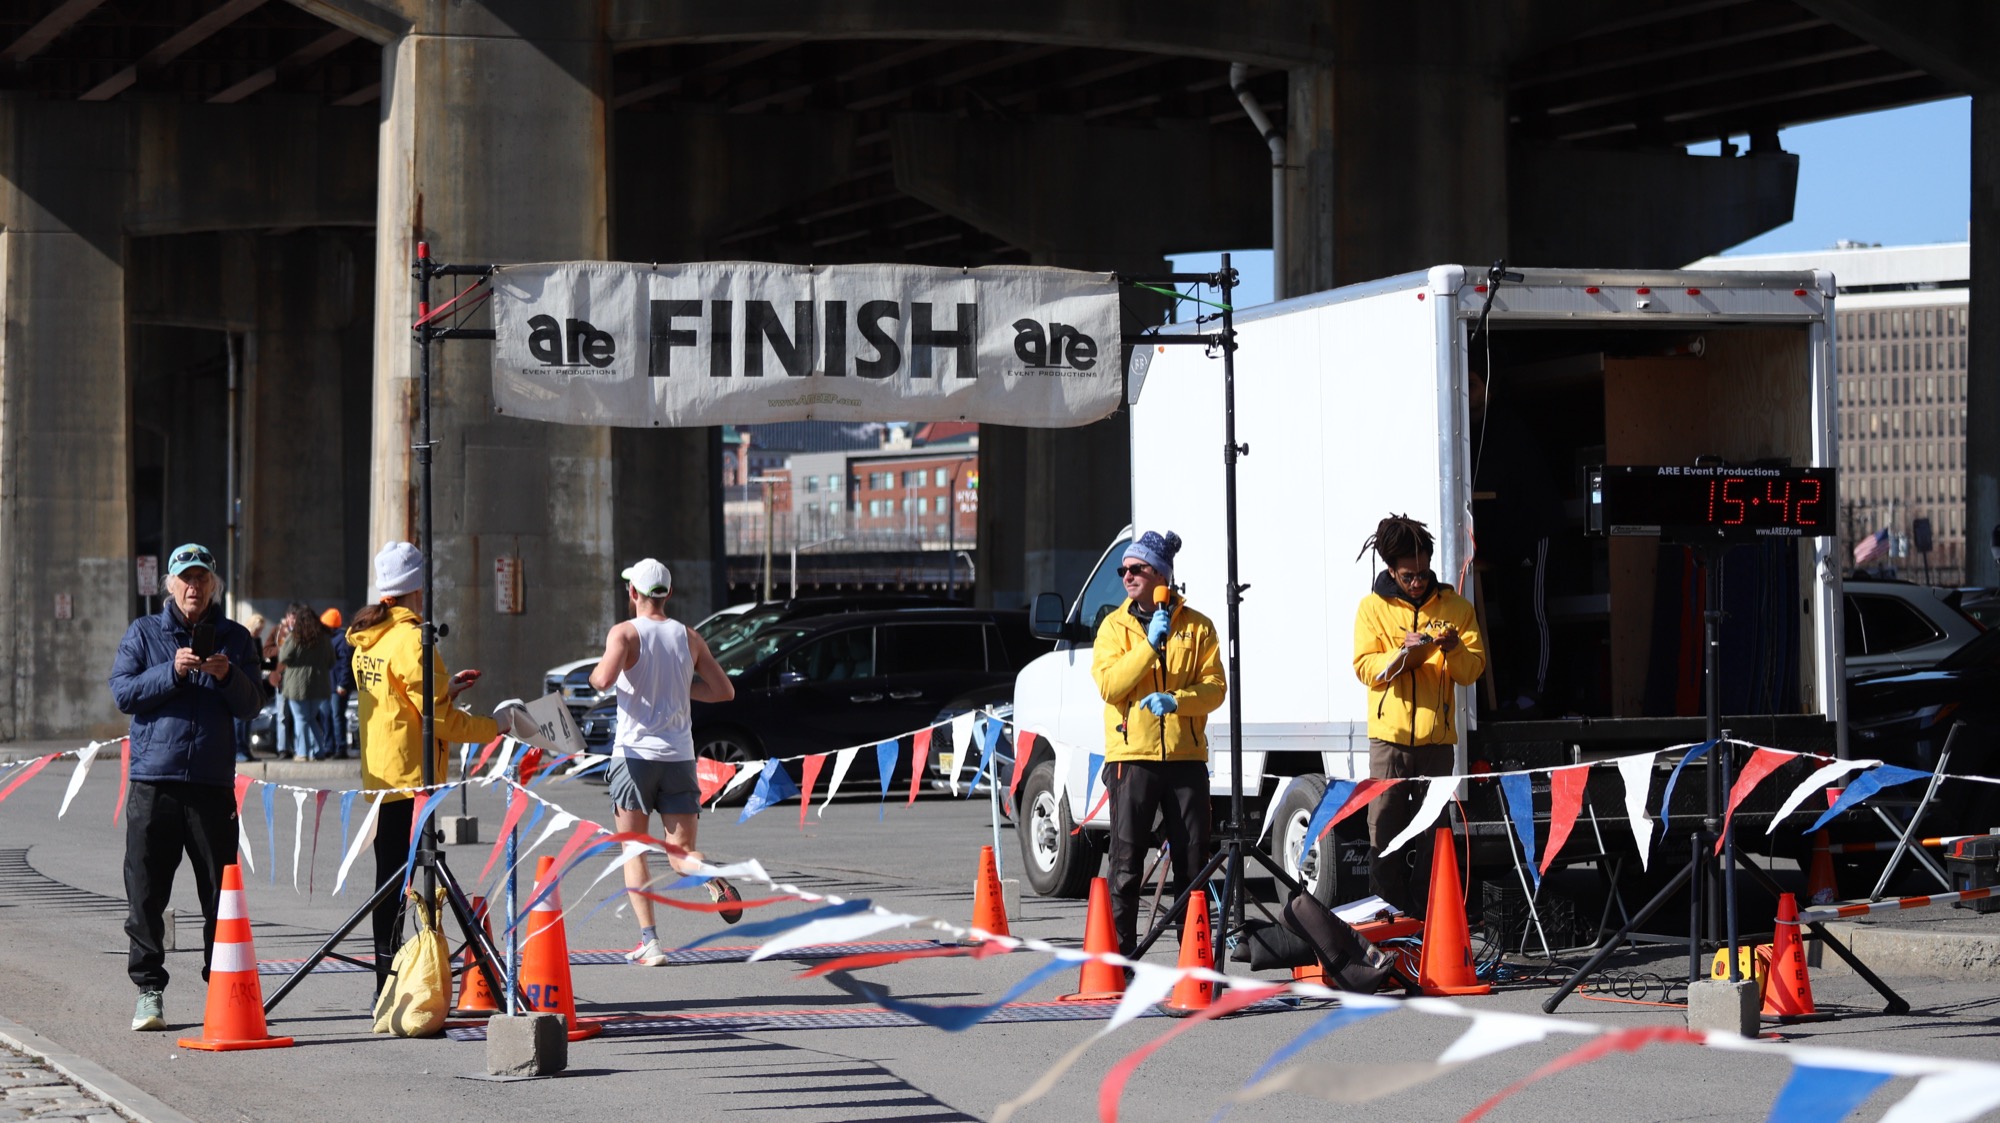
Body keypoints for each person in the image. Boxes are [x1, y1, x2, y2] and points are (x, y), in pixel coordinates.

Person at [108, 543, 263, 1031]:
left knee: (220, 894)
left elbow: (253, 705)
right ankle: (148, 990)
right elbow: (123, 692)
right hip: (154, 782)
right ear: (170, 585)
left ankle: (222, 987)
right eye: (185, 578)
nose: (193, 587)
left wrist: (228, 675)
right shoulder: (144, 632)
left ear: (214, 584)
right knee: (145, 892)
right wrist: (171, 672)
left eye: (202, 578)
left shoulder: (236, 638)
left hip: (212, 786)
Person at [347, 542, 497, 997]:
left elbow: (404, 701)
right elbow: (440, 721)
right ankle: (399, 984)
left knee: (390, 879)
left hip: (383, 774)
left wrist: (445, 688)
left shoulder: (368, 636)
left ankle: (386, 981)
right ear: (418, 587)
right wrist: (497, 726)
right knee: (407, 882)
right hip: (414, 779)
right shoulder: (414, 639)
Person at [588, 558, 742, 966]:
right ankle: (711, 876)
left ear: (632, 593)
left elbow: (602, 680)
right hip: (679, 756)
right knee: (681, 853)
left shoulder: (625, 632)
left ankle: (650, 943)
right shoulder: (689, 637)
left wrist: (597, 674)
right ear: (668, 594)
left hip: (635, 757)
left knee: (634, 851)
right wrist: (678, 688)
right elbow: (724, 691)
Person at [1089, 530, 1226, 958]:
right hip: (1132, 758)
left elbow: (1216, 688)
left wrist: (1177, 701)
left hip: (1186, 758)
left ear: (1162, 576)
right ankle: (1120, 961)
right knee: (1126, 865)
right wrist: (1149, 646)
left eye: (1137, 569)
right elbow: (1110, 685)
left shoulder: (1198, 626)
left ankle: (1192, 959)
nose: (1127, 576)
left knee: (1192, 864)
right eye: (1123, 570)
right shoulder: (1113, 626)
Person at [1351, 514, 1485, 917]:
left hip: (1437, 743)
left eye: (1423, 573)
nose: (1417, 582)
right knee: (1384, 833)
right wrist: (1401, 654)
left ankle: (1430, 918)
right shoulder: (1372, 609)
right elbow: (1364, 667)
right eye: (1408, 576)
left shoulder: (1455, 608)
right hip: (1388, 742)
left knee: (1434, 835)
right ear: (1391, 570)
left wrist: (1452, 649)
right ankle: (1387, 916)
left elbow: (1472, 670)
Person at [277, 602, 335, 761]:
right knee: (310, 717)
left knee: (301, 718)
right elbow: (331, 661)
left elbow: (283, 657)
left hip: (296, 683)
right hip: (319, 683)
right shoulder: (324, 637)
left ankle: (303, 752)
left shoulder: (295, 637)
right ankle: (318, 750)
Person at [325, 607, 354, 758]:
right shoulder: (329, 638)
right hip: (329, 684)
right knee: (328, 715)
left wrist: (342, 683)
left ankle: (341, 747)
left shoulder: (341, 639)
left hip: (337, 685)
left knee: (337, 716)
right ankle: (330, 746)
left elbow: (345, 663)